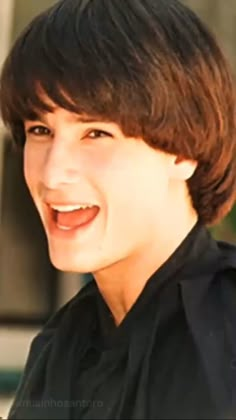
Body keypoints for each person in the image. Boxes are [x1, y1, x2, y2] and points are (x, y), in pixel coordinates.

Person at [1, 0, 236, 418]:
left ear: (183, 151)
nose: (52, 174)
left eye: (96, 132)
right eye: (40, 130)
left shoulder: (223, 336)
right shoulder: (63, 344)